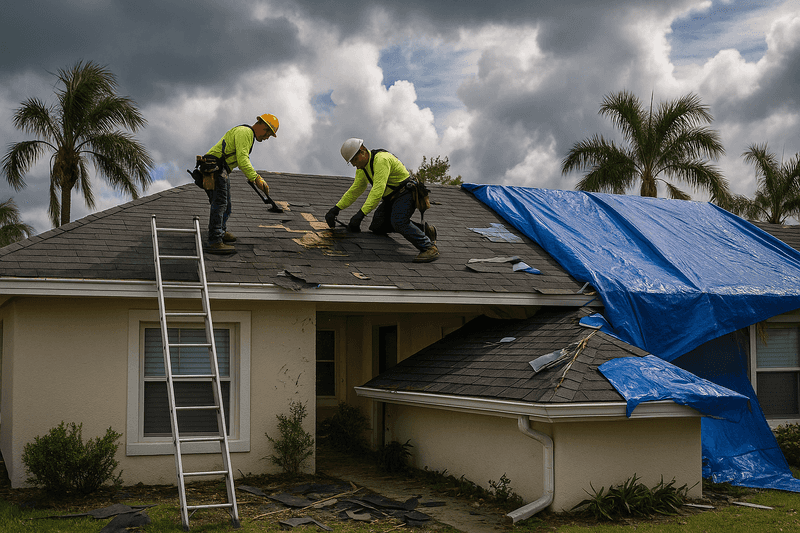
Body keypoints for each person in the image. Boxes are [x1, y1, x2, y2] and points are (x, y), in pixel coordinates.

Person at [326, 138, 439, 263]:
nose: (354, 164)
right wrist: (336, 209)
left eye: (354, 159)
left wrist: (360, 215)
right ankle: (425, 230)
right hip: (391, 198)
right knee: (377, 226)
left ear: (363, 151)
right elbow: (355, 190)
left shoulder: (381, 160)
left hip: (406, 193)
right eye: (351, 162)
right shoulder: (362, 168)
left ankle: (429, 247)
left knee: (399, 222)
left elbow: (377, 191)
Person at [202, 113, 278, 254]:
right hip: (215, 167)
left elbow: (239, 158)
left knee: (226, 204)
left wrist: (253, 177)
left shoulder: (247, 134)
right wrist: (256, 178)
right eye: (268, 134)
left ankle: (221, 231)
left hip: (219, 168)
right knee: (220, 204)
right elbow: (242, 159)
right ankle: (215, 240)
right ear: (264, 127)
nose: (267, 138)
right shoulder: (246, 132)